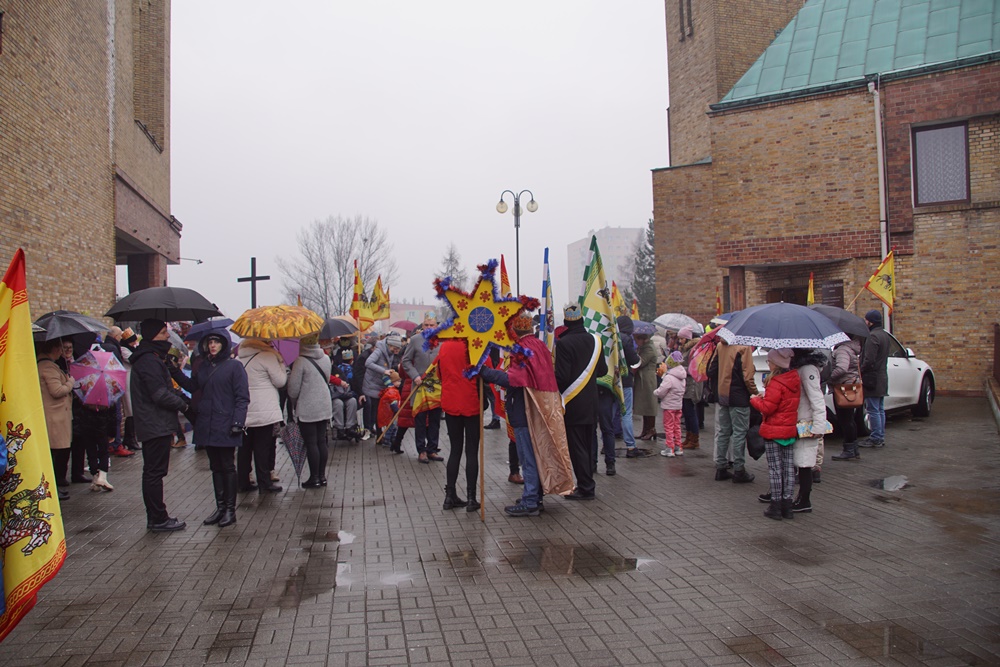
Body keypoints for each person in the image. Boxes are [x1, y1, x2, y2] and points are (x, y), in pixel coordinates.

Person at [479, 312, 572, 516]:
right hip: (541, 406)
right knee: (536, 453)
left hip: (526, 408)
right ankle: (534, 495)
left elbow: (514, 379)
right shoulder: (539, 345)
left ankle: (530, 501)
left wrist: (485, 373)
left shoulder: (522, 348)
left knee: (528, 456)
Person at [130, 319, 191, 532]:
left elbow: (164, 388)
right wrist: (184, 406)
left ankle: (158, 516)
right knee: (154, 473)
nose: (168, 336)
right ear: (155, 334)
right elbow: (159, 393)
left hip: (155, 422)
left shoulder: (153, 359)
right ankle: (157, 518)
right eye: (164, 332)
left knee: (154, 472)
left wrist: (183, 397)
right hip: (154, 423)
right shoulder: (148, 361)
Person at [188, 333, 248, 527]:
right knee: (215, 467)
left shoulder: (234, 367)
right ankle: (220, 507)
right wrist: (173, 371)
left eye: (216, 342)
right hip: (208, 422)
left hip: (226, 422)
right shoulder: (204, 366)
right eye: (210, 343)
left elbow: (242, 397)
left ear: (224, 345)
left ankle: (230, 509)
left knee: (227, 466)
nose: (213, 346)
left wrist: (238, 421)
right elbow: (193, 386)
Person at [555, 304, 607, 501]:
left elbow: (562, 376)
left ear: (566, 322)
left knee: (577, 447)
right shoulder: (596, 340)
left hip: (573, 402)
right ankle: (588, 481)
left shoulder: (564, 343)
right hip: (592, 401)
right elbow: (601, 371)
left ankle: (585, 487)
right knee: (588, 442)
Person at [750, 348, 800, 521]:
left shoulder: (776, 383)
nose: (768, 364)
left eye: (769, 361)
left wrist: (755, 399)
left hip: (773, 431)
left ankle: (776, 505)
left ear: (776, 363)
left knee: (775, 470)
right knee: (788, 469)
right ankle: (788, 505)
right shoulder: (794, 380)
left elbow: (768, 408)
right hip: (789, 430)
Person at [437, 338, 483, 511]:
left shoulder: (445, 346)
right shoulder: (474, 344)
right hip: (470, 401)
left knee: (455, 450)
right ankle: (471, 498)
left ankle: (449, 496)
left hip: (450, 401)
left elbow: (440, 373)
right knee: (471, 451)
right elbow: (483, 372)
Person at [237, 337, 287, 493]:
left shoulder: (239, 358)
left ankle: (243, 481)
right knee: (262, 447)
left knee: (244, 448)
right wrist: (281, 363)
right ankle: (264, 482)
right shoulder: (268, 356)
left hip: (244, 409)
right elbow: (280, 382)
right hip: (264, 409)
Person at [287, 335, 333, 488]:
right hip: (324, 404)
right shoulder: (325, 358)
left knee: (311, 442)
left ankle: (314, 477)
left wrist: (293, 403)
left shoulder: (300, 361)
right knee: (321, 440)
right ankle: (322, 476)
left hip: (308, 406)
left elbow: (293, 389)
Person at [397, 313, 443, 462]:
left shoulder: (442, 340)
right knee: (420, 419)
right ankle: (421, 450)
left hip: (436, 386)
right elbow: (406, 361)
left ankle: (432, 449)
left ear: (436, 326)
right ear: (422, 326)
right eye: (426, 325)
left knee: (435, 419)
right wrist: (415, 376)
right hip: (419, 385)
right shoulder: (415, 340)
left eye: (432, 325)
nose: (429, 327)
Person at [789, 349, 828, 513]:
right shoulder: (800, 368)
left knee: (805, 463)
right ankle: (801, 498)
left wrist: (818, 426)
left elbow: (816, 398)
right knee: (799, 461)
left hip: (806, 423)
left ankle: (805, 500)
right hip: (799, 420)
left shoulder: (807, 369)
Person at [713, 340, 759, 483]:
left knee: (723, 432)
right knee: (739, 433)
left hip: (723, 394)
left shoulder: (720, 346)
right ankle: (739, 470)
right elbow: (748, 375)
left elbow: (712, 369)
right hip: (739, 395)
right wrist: (755, 392)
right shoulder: (744, 348)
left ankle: (720, 467)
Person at [37, 338, 75, 501]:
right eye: (60, 348)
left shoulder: (48, 365)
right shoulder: (47, 367)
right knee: (55, 454)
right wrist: (70, 382)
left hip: (55, 415)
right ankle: (52, 488)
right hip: (55, 416)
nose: (61, 351)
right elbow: (57, 390)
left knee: (56, 453)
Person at [363, 333, 403, 441]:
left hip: (381, 383)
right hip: (372, 384)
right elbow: (368, 363)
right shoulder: (379, 350)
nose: (397, 351)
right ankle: (379, 435)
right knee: (377, 409)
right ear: (390, 345)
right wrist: (384, 371)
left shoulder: (390, 352)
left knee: (382, 409)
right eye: (396, 348)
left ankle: (382, 434)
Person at [860, 309, 890, 449]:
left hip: (872, 378)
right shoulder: (884, 335)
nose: (865, 322)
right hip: (882, 376)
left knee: (872, 409)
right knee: (880, 409)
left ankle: (876, 438)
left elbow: (869, 359)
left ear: (870, 321)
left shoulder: (872, 337)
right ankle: (880, 435)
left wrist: (861, 370)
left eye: (866, 320)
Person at [831, 335, 864, 461]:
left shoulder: (843, 350)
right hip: (850, 385)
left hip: (843, 387)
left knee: (845, 419)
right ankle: (853, 448)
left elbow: (842, 368)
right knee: (850, 419)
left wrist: (830, 377)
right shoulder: (851, 348)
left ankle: (849, 449)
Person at [616, 316, 642, 458]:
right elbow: (633, 360)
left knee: (611, 414)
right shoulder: (626, 339)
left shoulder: (610, 337)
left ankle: (607, 445)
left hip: (611, 380)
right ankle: (631, 446)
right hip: (625, 380)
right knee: (626, 414)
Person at [655, 351, 687, 457]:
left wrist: (656, 392)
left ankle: (670, 448)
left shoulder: (669, 377)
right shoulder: (682, 377)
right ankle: (678, 446)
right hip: (678, 405)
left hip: (669, 406)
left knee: (668, 427)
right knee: (677, 426)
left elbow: (662, 391)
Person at [676, 326, 703, 450]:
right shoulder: (684, 349)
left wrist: (680, 369)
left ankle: (694, 439)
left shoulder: (693, 350)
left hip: (692, 384)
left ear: (687, 338)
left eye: (681, 338)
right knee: (686, 413)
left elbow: (694, 368)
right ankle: (688, 436)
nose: (679, 341)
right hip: (685, 383)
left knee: (691, 412)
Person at [633, 331, 659, 441]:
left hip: (647, 379)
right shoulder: (645, 347)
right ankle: (645, 429)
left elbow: (641, 362)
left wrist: (634, 355)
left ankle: (651, 429)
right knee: (645, 405)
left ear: (642, 339)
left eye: (636, 340)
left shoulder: (648, 349)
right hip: (643, 378)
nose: (636, 342)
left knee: (649, 405)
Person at [330, 348, 360, 442]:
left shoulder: (338, 369)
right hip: (333, 395)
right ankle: (339, 428)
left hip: (344, 393)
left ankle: (350, 426)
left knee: (352, 401)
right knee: (338, 403)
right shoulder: (328, 371)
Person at [377, 372, 402, 448]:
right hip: (390, 414)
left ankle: (392, 439)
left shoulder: (390, 389)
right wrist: (397, 410)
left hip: (389, 413)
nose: (400, 383)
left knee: (393, 426)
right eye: (398, 381)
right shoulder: (392, 391)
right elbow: (393, 402)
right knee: (391, 427)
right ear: (393, 382)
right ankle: (387, 440)